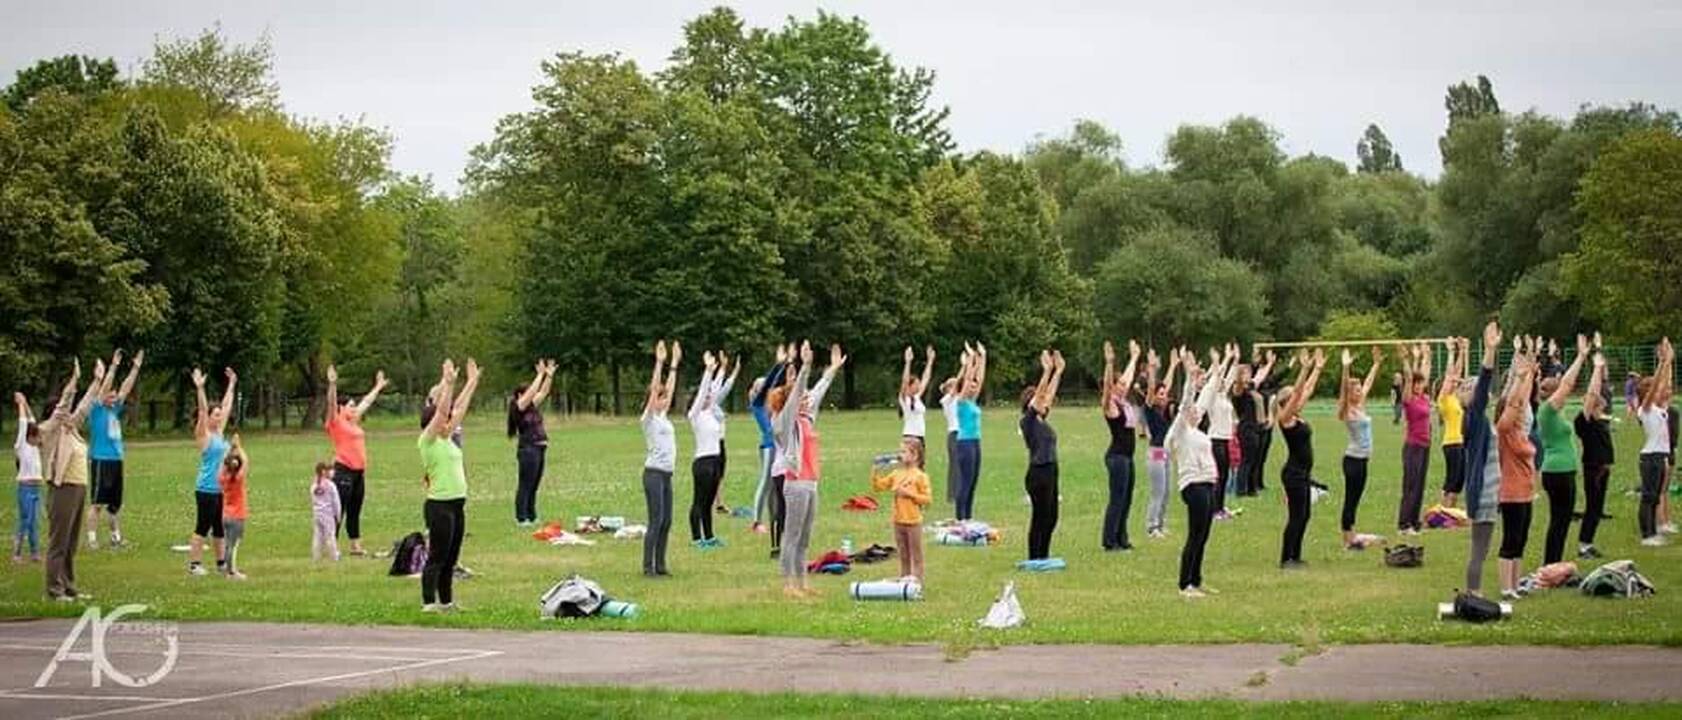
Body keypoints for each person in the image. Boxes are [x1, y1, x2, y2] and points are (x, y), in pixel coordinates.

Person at [773, 341, 844, 599]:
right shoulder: (783, 422)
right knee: (791, 537)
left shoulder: (807, 418)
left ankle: (802, 582)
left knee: (804, 539)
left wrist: (832, 370)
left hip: (811, 483)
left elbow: (818, 392)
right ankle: (788, 584)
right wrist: (805, 367)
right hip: (796, 484)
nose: (806, 400)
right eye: (800, 398)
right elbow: (797, 396)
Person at [419, 358, 480, 612]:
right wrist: (448, 385)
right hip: (439, 505)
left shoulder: (447, 439)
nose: (447, 422)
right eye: (441, 421)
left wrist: (473, 381)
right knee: (437, 556)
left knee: (451, 558)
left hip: (457, 504)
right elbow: (444, 411)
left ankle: (446, 602)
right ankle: (428, 603)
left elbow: (459, 409)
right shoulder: (428, 441)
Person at [1169, 345, 1231, 598]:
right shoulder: (1180, 432)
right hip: (1193, 486)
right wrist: (1189, 378)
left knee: (1204, 534)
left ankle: (1196, 580)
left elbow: (1206, 395)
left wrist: (1218, 366)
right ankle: (1185, 584)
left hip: (1207, 483)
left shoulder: (1198, 431)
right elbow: (1188, 401)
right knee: (1195, 534)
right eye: (1190, 411)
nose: (1196, 410)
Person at [40, 359, 103, 601]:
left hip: (78, 488)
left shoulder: (71, 429)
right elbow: (65, 404)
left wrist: (97, 380)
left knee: (71, 542)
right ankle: (54, 590)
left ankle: (68, 586)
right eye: (63, 411)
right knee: (59, 541)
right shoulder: (50, 431)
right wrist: (74, 380)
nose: (68, 413)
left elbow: (85, 406)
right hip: (63, 488)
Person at [1537, 334, 1590, 565]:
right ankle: (1551, 563)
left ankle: (1553, 561)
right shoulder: (1547, 410)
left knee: (1562, 519)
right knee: (1559, 520)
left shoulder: (1555, 413)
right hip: (1557, 471)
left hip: (1562, 470)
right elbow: (1567, 384)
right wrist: (1580, 356)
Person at [324, 365, 387, 555]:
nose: (354, 409)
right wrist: (333, 384)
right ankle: (331, 545)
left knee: (355, 509)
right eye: (351, 406)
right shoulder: (336, 422)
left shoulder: (353, 422)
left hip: (359, 473)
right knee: (339, 509)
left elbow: (366, 402)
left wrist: (378, 386)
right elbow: (331, 404)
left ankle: (355, 545)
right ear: (342, 408)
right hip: (344, 470)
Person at [1461, 320, 1504, 598]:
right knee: (1479, 548)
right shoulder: (1474, 418)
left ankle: (1474, 594)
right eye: (1472, 387)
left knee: (1482, 548)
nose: (1480, 390)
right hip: (1484, 493)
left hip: (1490, 491)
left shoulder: (1482, 419)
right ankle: (1473, 596)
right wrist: (1489, 351)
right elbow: (1485, 379)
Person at [1275, 348, 1327, 568]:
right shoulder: (1285, 418)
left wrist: (1318, 368)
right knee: (1296, 517)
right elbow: (1298, 391)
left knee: (1304, 516)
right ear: (1287, 402)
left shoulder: (1297, 415)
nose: (1298, 400)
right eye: (1293, 399)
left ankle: (1295, 556)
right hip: (1293, 474)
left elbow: (1307, 389)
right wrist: (1304, 368)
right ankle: (1286, 558)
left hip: (1303, 474)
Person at [1496, 343, 1539, 601]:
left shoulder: (1520, 432)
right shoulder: (1505, 431)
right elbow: (1513, 403)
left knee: (1521, 540)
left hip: (1526, 492)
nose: (1522, 413)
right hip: (1511, 493)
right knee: (1510, 540)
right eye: (1517, 412)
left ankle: (1515, 584)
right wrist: (1520, 376)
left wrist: (1530, 373)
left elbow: (1521, 400)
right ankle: (1505, 587)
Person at [87, 348, 141, 550]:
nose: (114, 397)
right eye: (110, 395)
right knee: (97, 503)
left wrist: (135, 368)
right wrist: (114, 366)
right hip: (101, 460)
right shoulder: (97, 409)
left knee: (114, 504)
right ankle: (92, 539)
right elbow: (103, 389)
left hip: (117, 461)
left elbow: (126, 388)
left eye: (114, 395)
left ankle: (115, 537)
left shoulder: (114, 410)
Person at [188, 367, 237, 577]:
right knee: (203, 527)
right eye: (215, 415)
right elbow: (202, 410)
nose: (219, 418)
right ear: (208, 418)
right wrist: (200, 389)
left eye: (219, 416)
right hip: (206, 489)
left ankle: (220, 563)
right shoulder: (204, 435)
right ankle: (194, 565)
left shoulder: (219, 433)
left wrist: (232, 384)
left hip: (221, 490)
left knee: (219, 528)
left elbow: (226, 405)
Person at [1021, 349, 1067, 561]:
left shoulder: (1042, 420)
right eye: (1038, 401)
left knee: (1052, 517)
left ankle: (1044, 556)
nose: (1045, 402)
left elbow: (1046, 396)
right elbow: (1041, 395)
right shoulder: (1027, 421)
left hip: (1051, 470)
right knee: (1039, 517)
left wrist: (1059, 371)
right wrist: (1047, 371)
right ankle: (1034, 557)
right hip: (1038, 473)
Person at [640, 341, 681, 576]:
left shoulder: (663, 417)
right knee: (655, 521)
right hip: (653, 474)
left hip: (666, 475)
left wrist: (674, 364)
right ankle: (648, 568)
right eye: (660, 397)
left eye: (665, 398)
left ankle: (661, 564)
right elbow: (656, 388)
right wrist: (659, 362)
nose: (664, 400)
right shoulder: (649, 418)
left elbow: (670, 389)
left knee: (666, 521)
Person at [1336, 346, 1383, 550]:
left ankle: (1352, 535)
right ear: (1349, 393)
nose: (1360, 390)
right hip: (1353, 461)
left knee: (1356, 500)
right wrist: (1346, 368)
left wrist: (1376, 364)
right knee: (1350, 499)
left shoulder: (1360, 406)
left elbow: (1369, 384)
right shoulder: (1347, 410)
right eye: (1356, 389)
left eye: (1359, 389)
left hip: (1363, 460)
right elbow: (1343, 391)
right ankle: (1347, 540)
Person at [871, 438, 932, 582]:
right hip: (898, 520)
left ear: (915, 455)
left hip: (913, 521)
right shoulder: (896, 473)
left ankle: (917, 581)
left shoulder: (920, 476)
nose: (900, 455)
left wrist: (909, 494)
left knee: (916, 554)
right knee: (903, 554)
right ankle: (904, 580)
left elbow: (927, 499)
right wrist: (875, 472)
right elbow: (879, 487)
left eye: (904, 452)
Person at [1101, 340, 1141, 551]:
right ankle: (1109, 540)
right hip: (1117, 457)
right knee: (1117, 499)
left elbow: (1127, 376)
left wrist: (1134, 357)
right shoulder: (1110, 405)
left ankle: (1122, 538)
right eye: (1121, 385)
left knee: (1127, 498)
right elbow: (1108, 387)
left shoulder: (1123, 401)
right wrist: (1109, 363)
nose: (1124, 387)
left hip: (1128, 457)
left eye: (1125, 386)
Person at [1575, 338, 1612, 560]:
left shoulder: (1600, 420)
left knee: (1598, 509)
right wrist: (1596, 369)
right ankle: (1582, 545)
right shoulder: (1584, 421)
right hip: (1593, 468)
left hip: (1603, 469)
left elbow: (1599, 394)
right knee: (1591, 508)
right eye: (1598, 401)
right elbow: (1591, 397)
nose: (1601, 401)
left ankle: (1588, 543)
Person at [1636, 339, 1674, 547]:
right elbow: (1654, 390)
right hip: (1650, 457)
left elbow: (1665, 386)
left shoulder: (1659, 409)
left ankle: (1653, 531)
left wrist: (1669, 361)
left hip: (1659, 456)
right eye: (1654, 389)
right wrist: (1660, 364)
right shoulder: (1646, 408)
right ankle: (1647, 535)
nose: (1660, 390)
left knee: (1655, 497)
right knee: (1648, 496)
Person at [747, 347, 789, 535]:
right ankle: (756, 522)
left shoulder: (774, 405)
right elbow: (770, 384)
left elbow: (779, 385)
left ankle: (776, 518)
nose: (767, 388)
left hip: (779, 447)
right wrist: (779, 364)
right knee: (765, 482)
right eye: (762, 387)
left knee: (777, 486)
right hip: (768, 447)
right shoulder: (757, 405)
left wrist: (787, 365)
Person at [507, 360, 554, 527]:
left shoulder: (532, 406)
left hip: (540, 448)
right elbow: (534, 390)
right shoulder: (518, 407)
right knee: (525, 483)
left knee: (534, 484)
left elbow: (543, 391)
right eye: (527, 393)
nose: (532, 395)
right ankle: (521, 517)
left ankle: (532, 515)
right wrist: (539, 374)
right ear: (520, 395)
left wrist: (548, 375)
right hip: (528, 449)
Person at [688, 351, 727, 548]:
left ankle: (709, 537)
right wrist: (708, 371)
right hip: (702, 463)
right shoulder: (694, 415)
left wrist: (722, 369)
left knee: (709, 502)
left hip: (714, 461)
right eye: (704, 397)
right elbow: (705, 390)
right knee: (699, 501)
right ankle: (696, 538)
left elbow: (714, 390)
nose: (707, 398)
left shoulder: (710, 412)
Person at [1141, 349, 1180, 539]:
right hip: (1155, 453)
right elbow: (1151, 390)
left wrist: (1173, 365)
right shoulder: (1150, 409)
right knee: (1158, 491)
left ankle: (1160, 524)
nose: (1164, 396)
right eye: (1161, 394)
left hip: (1165, 453)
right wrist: (1152, 370)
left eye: (1165, 394)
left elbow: (1166, 384)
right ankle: (1151, 527)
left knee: (1167, 491)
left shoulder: (1164, 409)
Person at [1396, 343, 1434, 535]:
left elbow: (1424, 373)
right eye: (1416, 383)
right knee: (1410, 485)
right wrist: (1405, 359)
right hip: (1413, 446)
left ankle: (1414, 521)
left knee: (1420, 484)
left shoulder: (1425, 399)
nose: (1419, 385)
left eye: (1421, 383)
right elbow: (1410, 377)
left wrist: (1426, 355)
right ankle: (1404, 524)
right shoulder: (1409, 399)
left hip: (1425, 445)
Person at [1232, 350, 1276, 498]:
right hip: (1246, 429)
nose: (1249, 375)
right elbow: (1239, 383)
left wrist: (1269, 363)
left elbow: (1260, 376)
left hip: (1256, 428)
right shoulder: (1239, 391)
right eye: (1246, 373)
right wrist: (1238, 368)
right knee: (1247, 460)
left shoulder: (1250, 387)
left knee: (1254, 459)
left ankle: (1251, 489)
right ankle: (1241, 490)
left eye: (1249, 373)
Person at [1204, 345, 1241, 519]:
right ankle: (1213, 510)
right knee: (1218, 476)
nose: (1221, 382)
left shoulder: (1223, 395)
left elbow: (1231, 377)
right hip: (1215, 439)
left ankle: (1220, 507)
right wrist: (1222, 361)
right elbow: (1218, 376)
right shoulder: (1210, 396)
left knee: (1225, 475)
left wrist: (1235, 359)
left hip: (1225, 438)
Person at [952, 342, 987, 521]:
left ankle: (969, 517)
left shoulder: (972, 402)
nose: (974, 386)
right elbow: (967, 381)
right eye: (970, 385)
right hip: (964, 443)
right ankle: (960, 518)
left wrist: (983, 356)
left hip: (975, 442)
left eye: (975, 385)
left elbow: (979, 379)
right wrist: (971, 361)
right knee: (965, 481)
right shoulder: (961, 401)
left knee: (973, 481)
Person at [708, 353, 740, 515]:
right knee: (713, 474)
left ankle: (718, 503)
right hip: (712, 443)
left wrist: (733, 370)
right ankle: (712, 502)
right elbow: (721, 385)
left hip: (721, 442)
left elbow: (726, 387)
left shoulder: (715, 403)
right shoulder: (707, 405)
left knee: (720, 474)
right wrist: (723, 368)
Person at [13, 393, 43, 563]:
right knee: (25, 520)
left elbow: (31, 420)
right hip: (25, 487)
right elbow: (24, 423)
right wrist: (21, 404)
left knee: (34, 522)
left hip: (36, 488)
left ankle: (34, 552)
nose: (39, 439)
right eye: (37, 436)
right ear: (30, 437)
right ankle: (17, 553)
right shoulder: (22, 445)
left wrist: (27, 403)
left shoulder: (35, 448)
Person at [1438, 340, 1468, 509]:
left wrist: (1462, 351)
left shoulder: (1455, 398)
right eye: (1451, 382)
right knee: (1452, 478)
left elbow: (1457, 371)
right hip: (1451, 443)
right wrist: (1450, 352)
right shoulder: (1443, 399)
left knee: (1459, 479)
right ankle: (1444, 511)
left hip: (1460, 442)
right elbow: (1451, 375)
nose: (1455, 382)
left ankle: (1452, 512)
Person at [898, 345, 936, 466]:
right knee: (910, 468)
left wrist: (930, 361)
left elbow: (926, 378)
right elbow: (904, 381)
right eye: (916, 384)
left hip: (920, 437)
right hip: (910, 437)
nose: (919, 386)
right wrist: (908, 362)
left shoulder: (916, 398)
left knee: (920, 468)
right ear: (910, 386)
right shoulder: (905, 399)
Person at [219, 434, 249, 580]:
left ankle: (227, 569)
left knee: (227, 544)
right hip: (237, 516)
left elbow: (223, 464)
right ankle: (232, 573)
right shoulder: (238, 479)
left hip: (225, 515)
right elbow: (246, 462)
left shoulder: (223, 478)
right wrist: (239, 447)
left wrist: (229, 450)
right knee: (233, 545)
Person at [311, 461, 342, 562]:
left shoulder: (314, 486)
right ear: (324, 471)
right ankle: (334, 556)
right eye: (330, 470)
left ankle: (316, 556)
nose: (332, 472)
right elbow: (336, 502)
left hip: (317, 514)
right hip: (328, 514)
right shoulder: (330, 485)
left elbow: (313, 500)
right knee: (330, 536)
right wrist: (338, 515)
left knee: (318, 536)